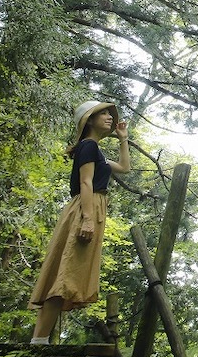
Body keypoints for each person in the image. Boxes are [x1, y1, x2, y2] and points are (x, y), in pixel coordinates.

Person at [28, 99, 129, 344]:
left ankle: (38, 341)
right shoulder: (88, 146)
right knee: (65, 275)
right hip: (86, 208)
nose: (109, 117)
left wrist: (123, 138)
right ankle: (39, 342)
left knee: (66, 275)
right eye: (102, 113)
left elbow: (125, 168)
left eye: (109, 113)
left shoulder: (97, 150)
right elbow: (85, 183)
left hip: (91, 208)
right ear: (89, 121)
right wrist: (87, 218)